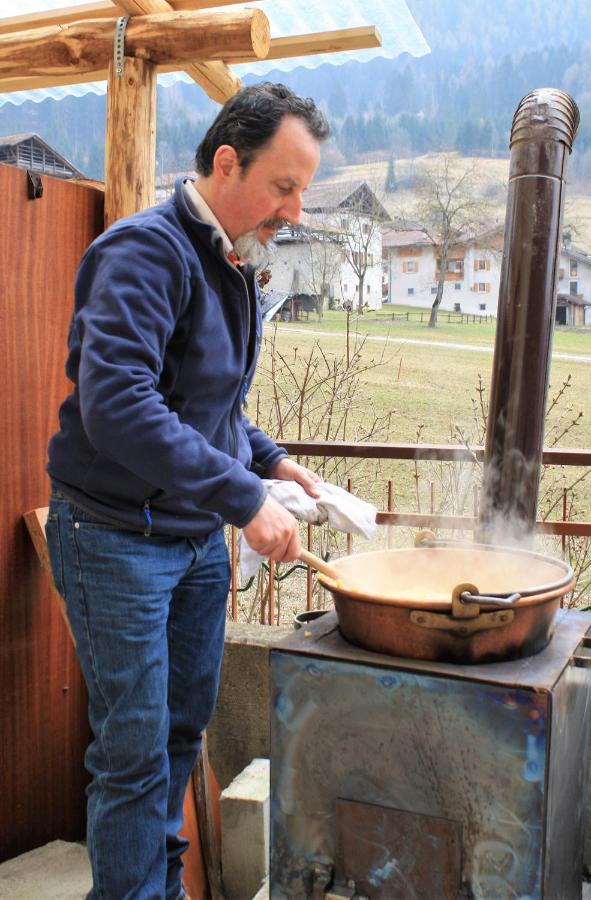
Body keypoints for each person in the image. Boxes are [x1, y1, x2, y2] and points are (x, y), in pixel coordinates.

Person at [45, 82, 330, 900]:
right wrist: (244, 498)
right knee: (133, 757)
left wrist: (273, 463)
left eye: (303, 191)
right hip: (114, 540)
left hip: (194, 542)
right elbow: (120, 406)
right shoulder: (144, 252)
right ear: (228, 162)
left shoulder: (232, 263)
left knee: (176, 738)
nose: (296, 211)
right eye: (285, 186)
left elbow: (213, 408)